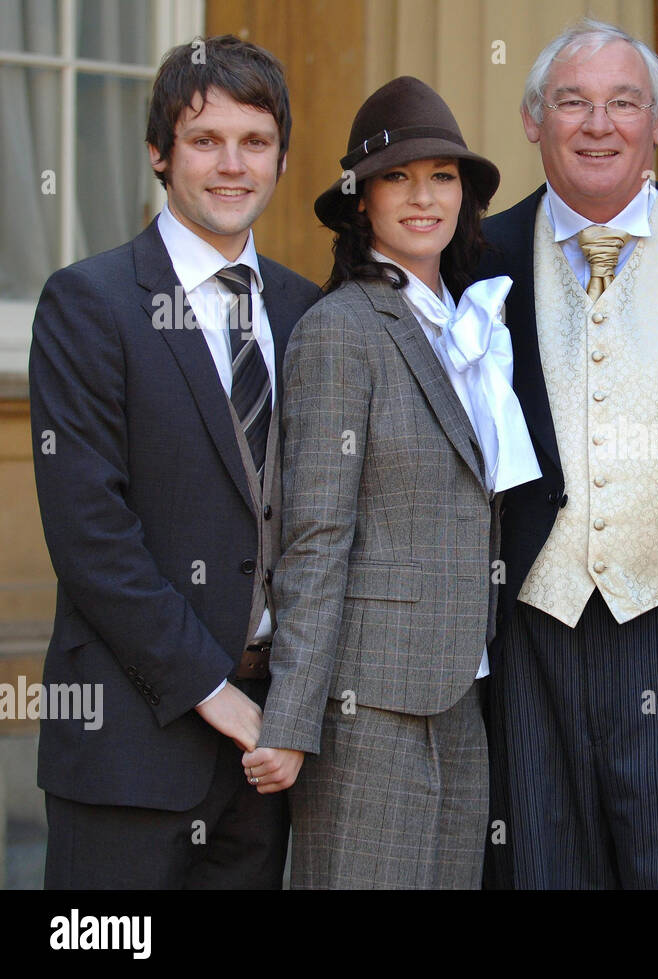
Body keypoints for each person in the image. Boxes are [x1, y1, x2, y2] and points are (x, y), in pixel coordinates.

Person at [478, 18, 658, 889]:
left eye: (622, 103)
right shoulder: (473, 258)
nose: (597, 124)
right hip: (531, 625)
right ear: (534, 121)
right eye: (572, 102)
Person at [29, 36, 321, 888]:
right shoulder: (91, 303)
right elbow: (91, 536)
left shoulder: (308, 312)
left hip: (264, 756)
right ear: (160, 153)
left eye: (255, 142)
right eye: (205, 141)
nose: (233, 166)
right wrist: (211, 690)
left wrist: (287, 707)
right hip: (129, 744)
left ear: (279, 157)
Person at [242, 76, 538, 889]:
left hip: (461, 693)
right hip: (363, 707)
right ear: (361, 203)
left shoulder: (468, 328)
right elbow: (315, 535)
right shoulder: (339, 332)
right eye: (397, 177)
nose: (422, 196)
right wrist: (295, 718)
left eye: (441, 176)